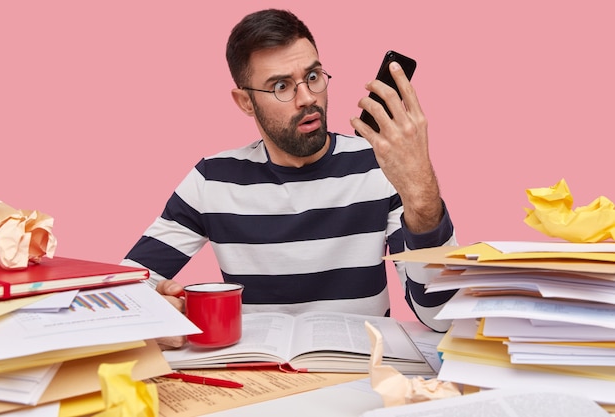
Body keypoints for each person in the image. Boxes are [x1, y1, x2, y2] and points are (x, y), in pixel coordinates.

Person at [121, 8, 457, 348]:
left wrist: (420, 189)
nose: (308, 98)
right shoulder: (212, 180)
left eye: (313, 77)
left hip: (361, 377)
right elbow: (124, 289)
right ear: (245, 102)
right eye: (281, 86)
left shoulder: (380, 167)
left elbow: (441, 315)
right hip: (259, 381)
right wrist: (158, 311)